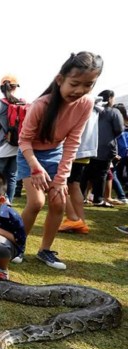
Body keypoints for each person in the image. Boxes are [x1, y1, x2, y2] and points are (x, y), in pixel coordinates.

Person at [17, 51, 103, 270]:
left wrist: (62, 178)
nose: (80, 91)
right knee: (36, 202)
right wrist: (35, 167)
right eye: (75, 83)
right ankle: (17, 246)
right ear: (60, 79)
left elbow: (73, 143)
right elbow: (24, 141)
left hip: (56, 153)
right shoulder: (40, 105)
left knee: (57, 201)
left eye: (88, 85)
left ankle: (45, 250)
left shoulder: (85, 104)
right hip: (30, 154)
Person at [58, 98, 101, 234]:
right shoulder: (95, 105)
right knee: (74, 184)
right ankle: (80, 221)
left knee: (58, 183)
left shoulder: (79, 102)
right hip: (86, 149)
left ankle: (73, 218)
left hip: (72, 149)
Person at [81, 90, 124, 207]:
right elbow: (119, 129)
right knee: (101, 174)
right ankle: (98, 199)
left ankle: (81, 197)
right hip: (105, 148)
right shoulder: (113, 112)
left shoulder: (92, 110)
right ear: (110, 98)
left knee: (86, 173)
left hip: (88, 146)